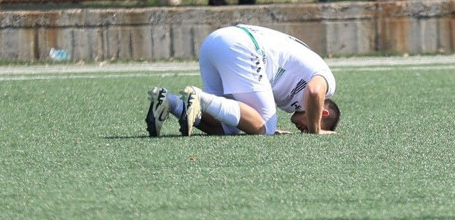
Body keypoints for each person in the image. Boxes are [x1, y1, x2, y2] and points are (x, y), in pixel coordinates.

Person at [145, 24, 340, 136]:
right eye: (308, 127)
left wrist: (259, 125)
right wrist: (315, 131)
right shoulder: (328, 85)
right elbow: (314, 91)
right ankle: (200, 97)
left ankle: (170, 102)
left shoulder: (293, 102)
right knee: (265, 128)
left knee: (227, 127)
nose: (304, 131)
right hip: (243, 46)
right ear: (322, 113)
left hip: (215, 41)